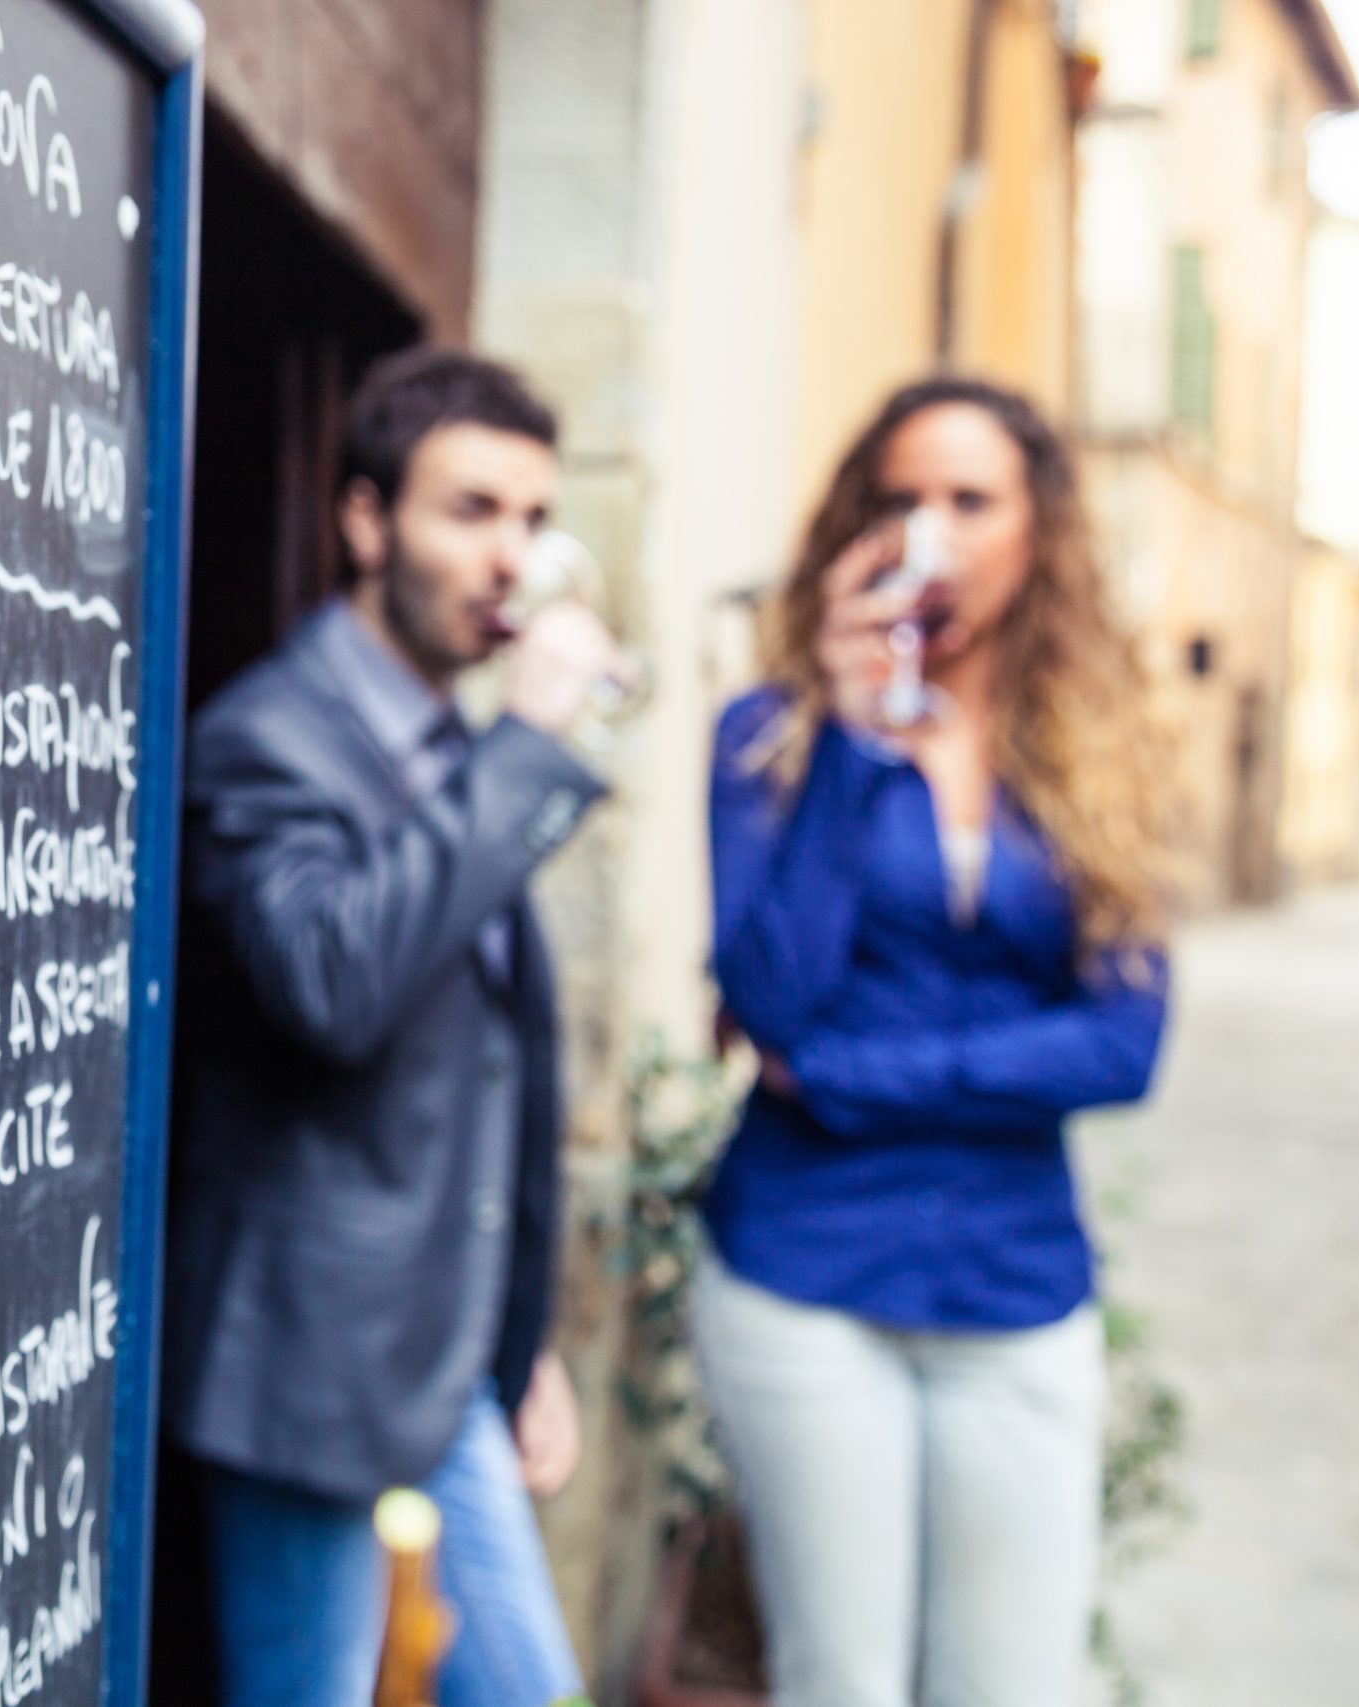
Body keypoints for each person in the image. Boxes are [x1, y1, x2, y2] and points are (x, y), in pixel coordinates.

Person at [698, 376, 1177, 1707]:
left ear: (1039, 533)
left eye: (970, 501)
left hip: (1016, 1286)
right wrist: (854, 743)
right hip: (806, 1273)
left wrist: (851, 1078)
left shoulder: (1100, 756)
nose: (932, 533)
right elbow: (775, 1001)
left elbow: (1124, 1047)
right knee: (839, 1683)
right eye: (901, 498)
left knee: (1013, 1688)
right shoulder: (775, 739)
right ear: (855, 530)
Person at [164, 348, 630, 1707]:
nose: (513, 560)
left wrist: (519, 1339)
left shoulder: (450, 751)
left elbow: (485, 1082)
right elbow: (336, 984)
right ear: (366, 521)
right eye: (470, 512)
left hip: (444, 1363)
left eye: (535, 521)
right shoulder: (269, 738)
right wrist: (528, 740)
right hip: (303, 1366)